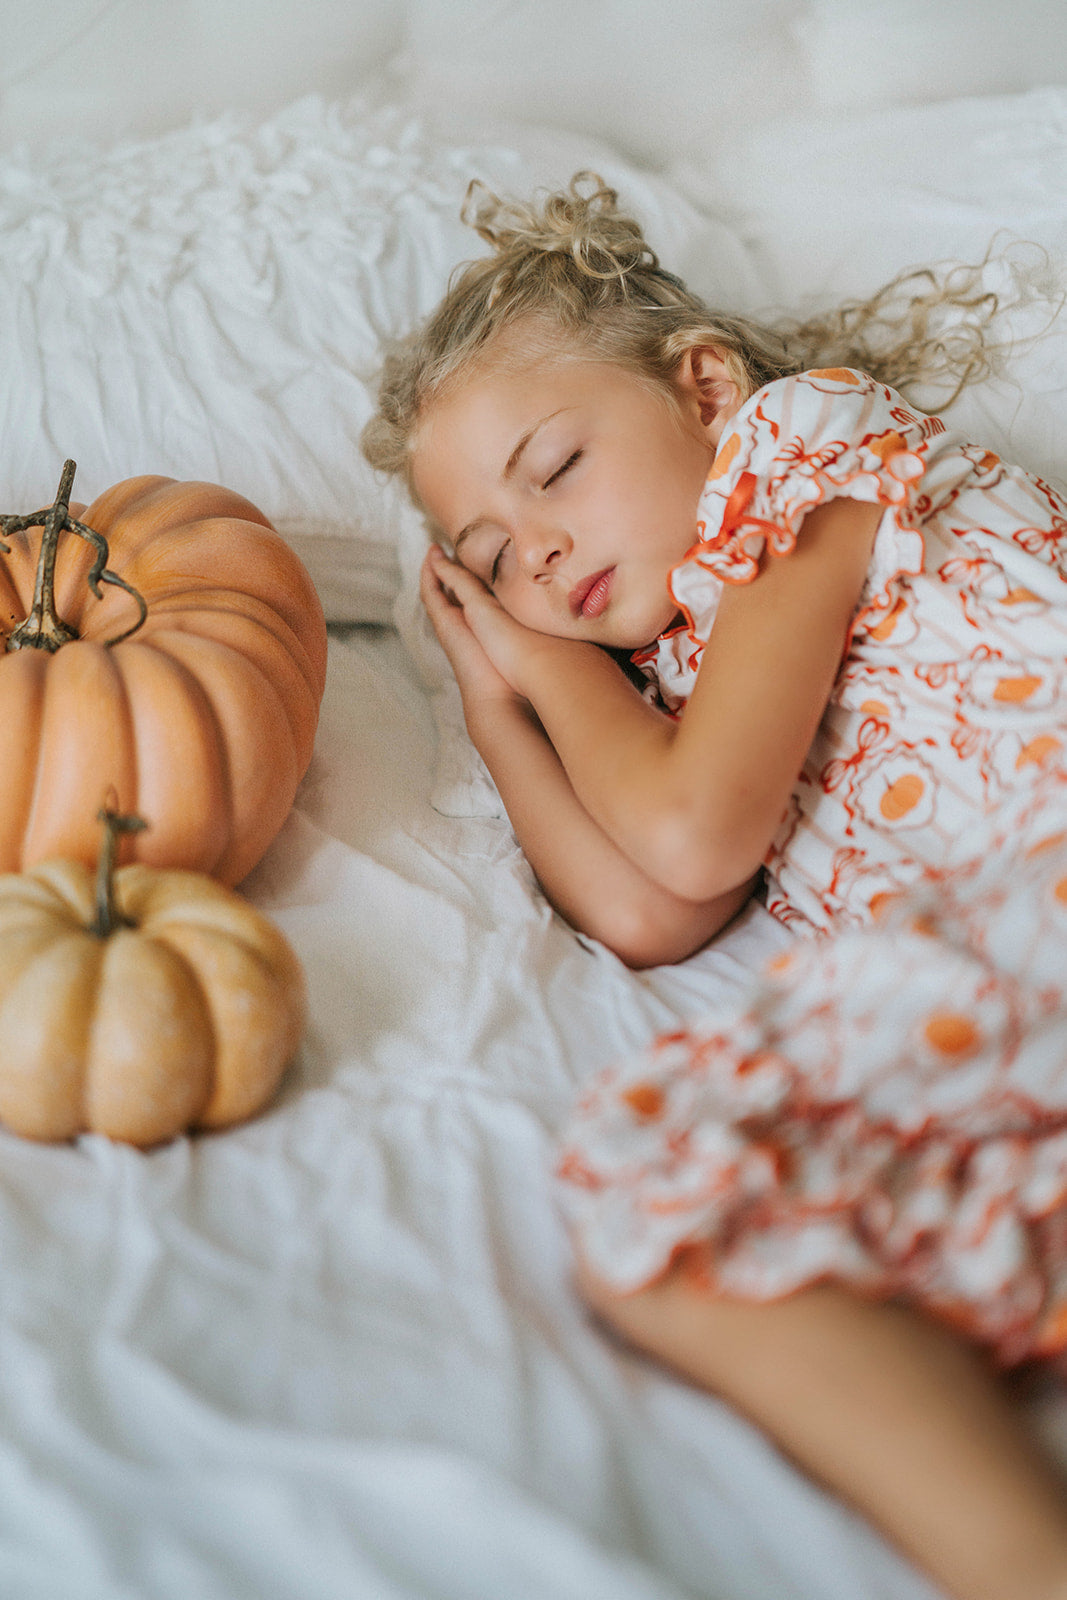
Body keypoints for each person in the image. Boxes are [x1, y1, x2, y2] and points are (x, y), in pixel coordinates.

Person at [363, 173, 1067, 1600]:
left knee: (670, 1185)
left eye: (553, 471)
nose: (537, 553)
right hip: (1011, 942)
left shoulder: (810, 457)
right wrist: (499, 710)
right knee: (656, 1217)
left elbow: (691, 841)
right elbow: (646, 914)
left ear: (700, 387)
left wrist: (545, 659)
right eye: (492, 561)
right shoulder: (681, 680)